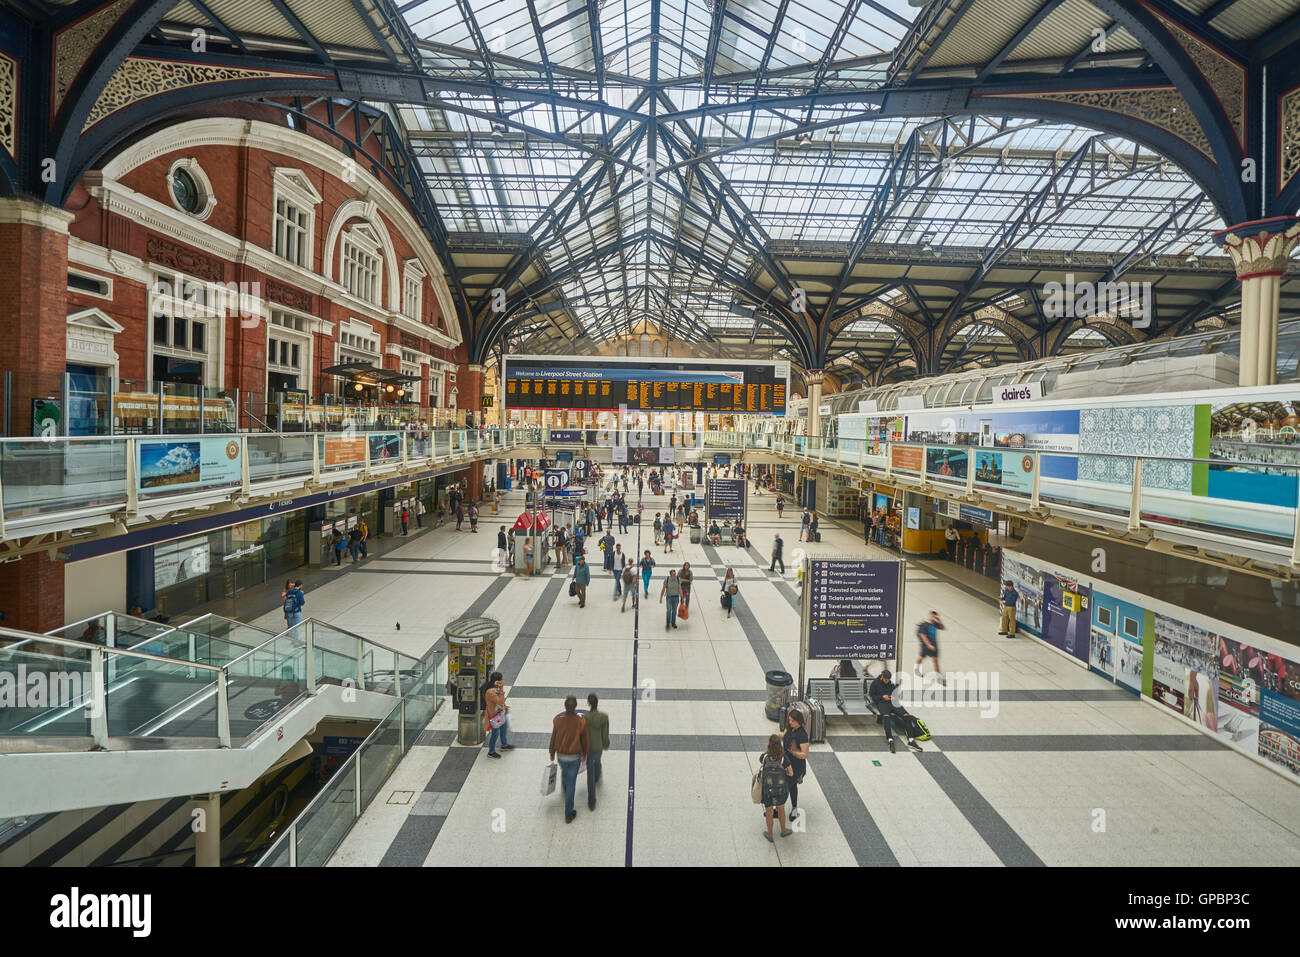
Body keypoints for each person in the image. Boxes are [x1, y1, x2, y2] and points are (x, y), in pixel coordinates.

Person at [548, 696, 590, 823]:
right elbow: (585, 740)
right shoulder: (580, 722)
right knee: (572, 783)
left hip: (561, 756)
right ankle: (568, 813)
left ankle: (564, 788)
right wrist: (585, 754)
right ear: (575, 707)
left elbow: (553, 737)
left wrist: (552, 752)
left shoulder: (558, 721)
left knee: (565, 773)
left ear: (565, 706)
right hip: (574, 756)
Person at [867, 669, 924, 753]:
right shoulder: (875, 683)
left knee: (906, 716)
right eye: (886, 679)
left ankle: (911, 740)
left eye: (888, 680)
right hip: (882, 703)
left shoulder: (891, 683)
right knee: (886, 719)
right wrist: (882, 697)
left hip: (893, 702)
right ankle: (890, 739)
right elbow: (872, 696)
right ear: (882, 676)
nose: (887, 681)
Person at [758, 733, 794, 842]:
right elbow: (791, 773)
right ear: (780, 745)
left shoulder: (764, 757)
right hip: (781, 790)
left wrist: (767, 750)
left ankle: (769, 834)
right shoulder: (784, 758)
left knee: (769, 811)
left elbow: (761, 760)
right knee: (781, 808)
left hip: (767, 790)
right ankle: (783, 830)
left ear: (769, 745)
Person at [583, 693, 610, 811]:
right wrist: (606, 744)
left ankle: (592, 801)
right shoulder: (604, 717)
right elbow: (605, 734)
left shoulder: (584, 718)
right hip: (599, 746)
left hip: (589, 747)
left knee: (590, 772)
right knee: (598, 761)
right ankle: (598, 776)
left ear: (588, 703)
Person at [783, 710, 810, 821]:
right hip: (785, 762)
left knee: (791, 786)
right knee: (785, 785)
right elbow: (783, 736)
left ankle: (794, 809)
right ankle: (779, 807)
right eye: (789, 720)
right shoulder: (789, 728)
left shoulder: (802, 735)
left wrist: (793, 752)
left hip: (796, 765)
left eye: (793, 721)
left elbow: (804, 755)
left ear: (799, 721)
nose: (790, 723)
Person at [484, 672, 515, 758]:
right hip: (494, 716)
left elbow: (501, 703)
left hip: (500, 713)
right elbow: (499, 701)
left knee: (503, 729)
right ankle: (491, 752)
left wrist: (504, 706)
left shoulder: (495, 689)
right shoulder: (490, 692)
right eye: (501, 680)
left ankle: (504, 745)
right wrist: (501, 689)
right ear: (496, 681)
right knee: (495, 733)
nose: (502, 681)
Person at [915, 611, 946, 684]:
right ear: (929, 616)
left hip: (934, 646)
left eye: (935, 617)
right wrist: (928, 645)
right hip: (925, 646)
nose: (933, 618)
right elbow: (922, 635)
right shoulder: (924, 625)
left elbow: (943, 628)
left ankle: (939, 677)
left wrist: (940, 621)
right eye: (932, 616)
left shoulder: (936, 624)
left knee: (935, 661)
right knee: (921, 658)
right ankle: (917, 669)